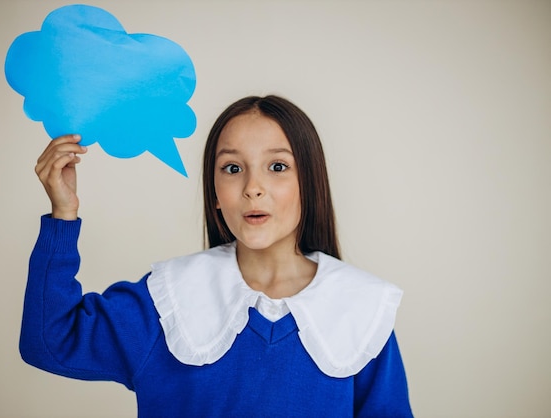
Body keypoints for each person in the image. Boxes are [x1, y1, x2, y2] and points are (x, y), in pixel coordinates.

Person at [21, 95, 414, 417]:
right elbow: (50, 340)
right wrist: (63, 214)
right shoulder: (168, 300)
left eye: (278, 166)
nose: (252, 187)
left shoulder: (361, 309)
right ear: (214, 194)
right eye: (232, 168)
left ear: (309, 183)